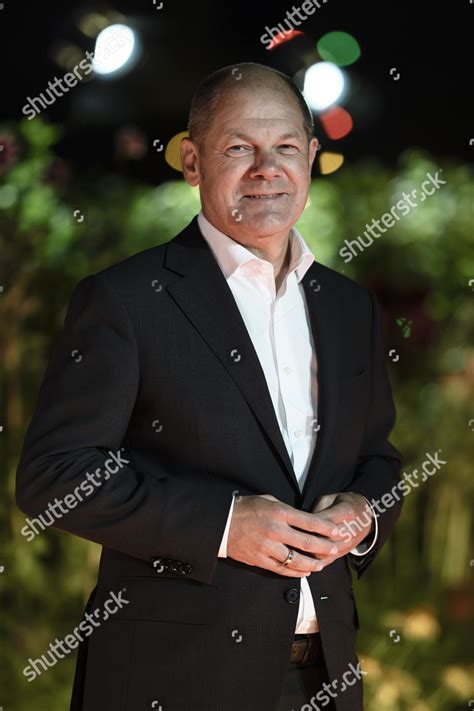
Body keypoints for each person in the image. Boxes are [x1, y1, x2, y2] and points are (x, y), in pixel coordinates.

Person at [16, 62, 402, 711]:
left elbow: (380, 460)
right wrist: (223, 524)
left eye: (283, 147)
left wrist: (363, 514)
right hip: (172, 680)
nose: (265, 169)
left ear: (310, 155)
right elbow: (53, 475)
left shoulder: (348, 308)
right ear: (193, 161)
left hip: (324, 676)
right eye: (237, 149)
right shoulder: (127, 300)